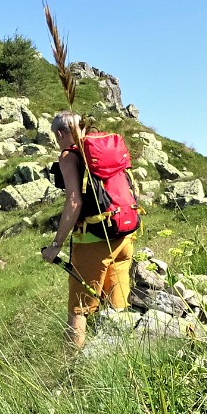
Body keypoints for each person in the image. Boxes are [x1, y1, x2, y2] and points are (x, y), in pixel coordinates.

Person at [41, 110, 136, 348]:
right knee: (118, 306)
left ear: (61, 133)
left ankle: (72, 372)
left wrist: (56, 245)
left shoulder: (70, 155)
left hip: (93, 239)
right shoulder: (106, 148)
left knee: (79, 308)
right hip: (123, 234)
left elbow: (74, 201)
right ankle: (123, 360)